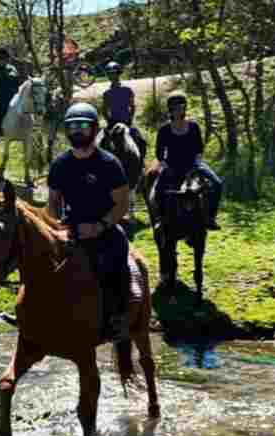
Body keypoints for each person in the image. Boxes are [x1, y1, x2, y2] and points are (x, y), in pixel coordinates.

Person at [47, 103, 132, 340]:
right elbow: (53, 203)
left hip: (104, 228)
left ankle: (118, 318)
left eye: (83, 126)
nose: (77, 130)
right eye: (72, 126)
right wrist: (56, 226)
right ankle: (34, 314)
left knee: (117, 260)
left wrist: (99, 226)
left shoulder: (109, 164)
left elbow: (122, 204)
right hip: (71, 228)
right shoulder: (59, 165)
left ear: (94, 129)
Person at [148, 91, 223, 286]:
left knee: (217, 184)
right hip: (172, 166)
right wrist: (165, 166)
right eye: (175, 106)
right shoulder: (164, 129)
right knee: (158, 191)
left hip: (192, 165)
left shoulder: (193, 126)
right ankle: (160, 220)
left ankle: (209, 218)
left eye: (182, 105)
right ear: (170, 109)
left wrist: (196, 165)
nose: (179, 109)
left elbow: (199, 149)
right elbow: (159, 152)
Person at [101, 61, 148, 164]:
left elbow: (132, 106)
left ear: (119, 73)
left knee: (141, 140)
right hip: (113, 123)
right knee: (101, 141)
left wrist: (130, 120)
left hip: (126, 121)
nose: (112, 76)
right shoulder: (106, 94)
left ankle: (141, 162)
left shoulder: (127, 90)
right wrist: (109, 121)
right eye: (110, 74)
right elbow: (104, 110)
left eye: (114, 73)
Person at [0, 49, 20, 136]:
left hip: (13, 94)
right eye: (1, 59)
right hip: (1, 95)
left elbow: (17, 80)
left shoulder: (12, 68)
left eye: (5, 59)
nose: (3, 61)